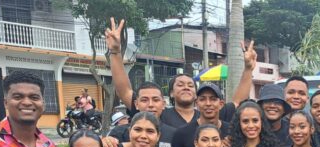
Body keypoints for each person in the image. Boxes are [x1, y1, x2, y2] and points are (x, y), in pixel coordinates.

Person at [106, 18, 255, 130]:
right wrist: (115, 51)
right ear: (170, 93)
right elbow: (124, 91)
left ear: (196, 95)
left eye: (190, 85)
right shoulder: (159, 113)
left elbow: (238, 101)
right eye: (180, 84)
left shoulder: (209, 114)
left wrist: (248, 68)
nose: (186, 87)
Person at [171, 83, 232, 147]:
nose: (208, 103)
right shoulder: (182, 133)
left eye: (213, 99)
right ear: (196, 104)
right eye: (202, 99)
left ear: (221, 104)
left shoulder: (232, 131)